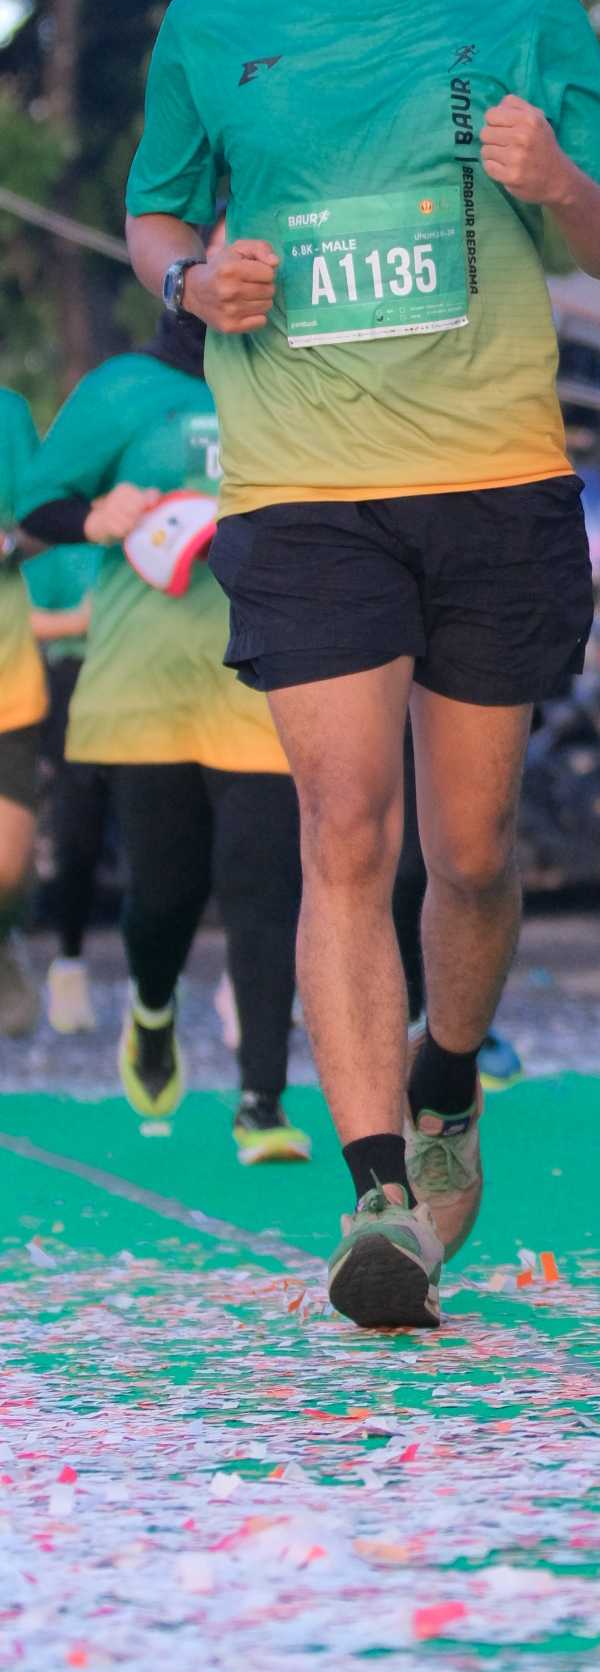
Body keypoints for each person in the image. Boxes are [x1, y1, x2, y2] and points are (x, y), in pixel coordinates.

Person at [123, 0, 600, 1328]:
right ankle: (374, 1199)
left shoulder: (525, 13)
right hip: (305, 486)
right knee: (346, 825)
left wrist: (558, 185)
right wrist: (193, 281)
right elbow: (154, 217)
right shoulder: (211, 26)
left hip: (495, 475)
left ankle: (447, 1074)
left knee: (470, 855)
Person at [20, 281, 308, 1156]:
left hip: (266, 672)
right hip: (147, 682)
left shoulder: (300, 375)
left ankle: (263, 1102)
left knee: (265, 889)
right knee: (165, 895)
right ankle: (152, 1007)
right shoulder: (124, 388)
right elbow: (36, 506)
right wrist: (96, 516)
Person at [26, 540, 103, 1032]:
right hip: (73, 685)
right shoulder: (63, 544)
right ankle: (69, 964)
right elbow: (23, 618)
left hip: (152, 686)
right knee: (77, 834)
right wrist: (80, 621)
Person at [0, 396, 48, 1040]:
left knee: (8, 867)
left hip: (9, 679)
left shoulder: (8, 413)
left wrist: (10, 541)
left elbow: (47, 518)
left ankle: (4, 938)